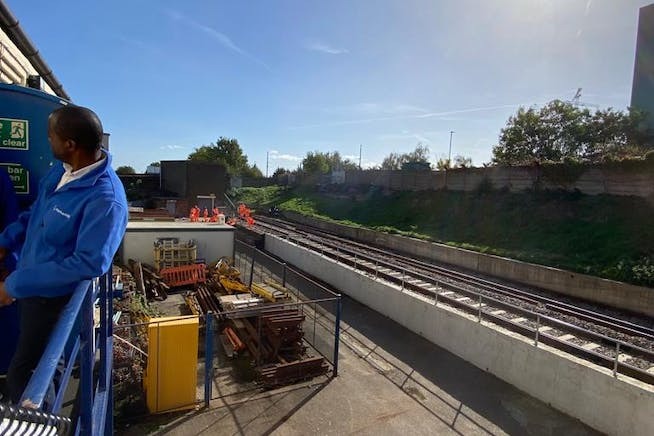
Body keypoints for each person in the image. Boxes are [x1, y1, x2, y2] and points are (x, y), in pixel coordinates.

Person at [0, 105, 128, 404]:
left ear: (70, 145)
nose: (48, 142)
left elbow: (89, 262)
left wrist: (13, 285)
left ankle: (40, 421)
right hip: (31, 286)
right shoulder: (62, 170)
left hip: (53, 301)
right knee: (24, 367)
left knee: (30, 376)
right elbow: (36, 212)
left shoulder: (105, 200)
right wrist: (6, 241)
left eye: (50, 136)